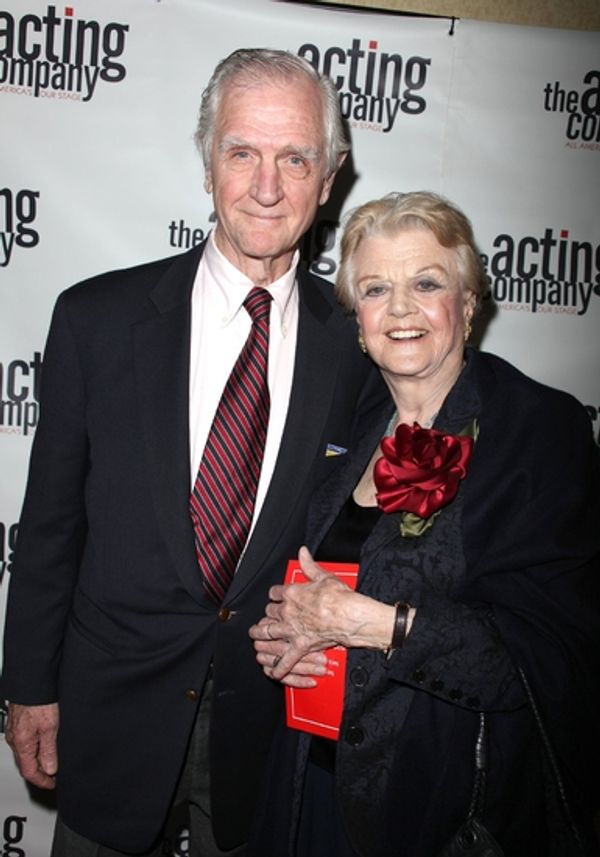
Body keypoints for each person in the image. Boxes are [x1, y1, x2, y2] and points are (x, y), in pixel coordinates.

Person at [0, 49, 385, 857]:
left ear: (331, 175)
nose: (267, 185)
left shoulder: (359, 347)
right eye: (241, 152)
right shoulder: (95, 320)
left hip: (269, 724)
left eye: (295, 158)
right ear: (206, 162)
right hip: (110, 708)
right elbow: (49, 528)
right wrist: (29, 688)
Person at [249, 191, 600, 857]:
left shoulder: (537, 430)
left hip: (438, 810)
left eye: (427, 282)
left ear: (467, 305)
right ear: (359, 321)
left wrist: (374, 625)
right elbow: (324, 587)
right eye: (377, 288)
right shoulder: (349, 429)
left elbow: (547, 659)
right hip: (314, 786)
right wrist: (286, 635)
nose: (402, 308)